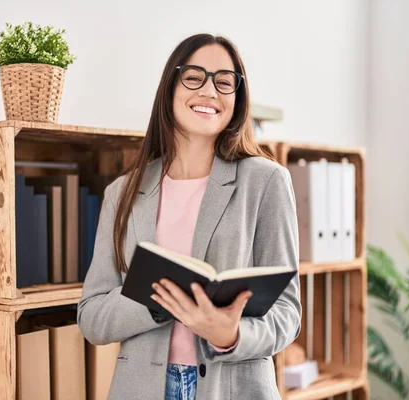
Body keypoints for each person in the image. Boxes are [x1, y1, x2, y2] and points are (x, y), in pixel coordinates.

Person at [77, 33, 302, 400]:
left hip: (234, 388)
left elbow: (287, 312)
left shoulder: (267, 181)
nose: (210, 91)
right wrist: (157, 299)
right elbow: (92, 317)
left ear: (237, 98)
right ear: (170, 88)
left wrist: (229, 335)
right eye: (194, 76)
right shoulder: (122, 193)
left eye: (224, 82)